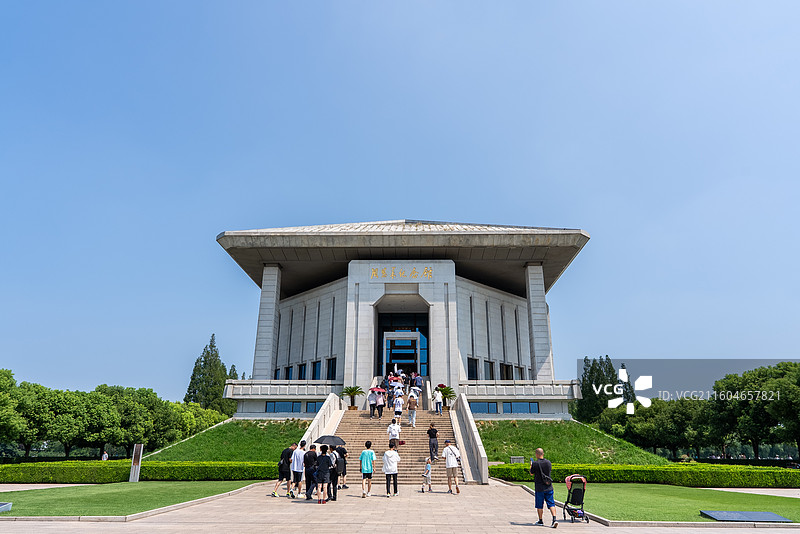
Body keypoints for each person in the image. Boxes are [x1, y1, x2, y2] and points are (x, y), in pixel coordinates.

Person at [531, 447, 558, 528]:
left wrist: (531, 465)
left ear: (536, 454)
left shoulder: (535, 463)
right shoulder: (548, 462)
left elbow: (531, 473)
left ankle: (540, 520)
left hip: (539, 487)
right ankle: (554, 519)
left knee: (539, 505)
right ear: (543, 454)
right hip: (548, 486)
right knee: (551, 503)